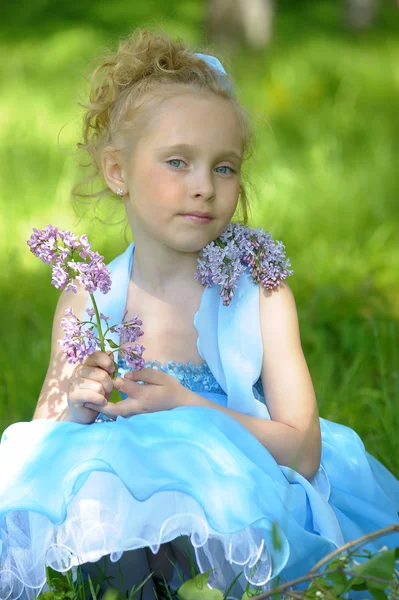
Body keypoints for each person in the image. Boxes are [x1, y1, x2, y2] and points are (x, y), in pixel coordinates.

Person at [0, 28, 398, 600]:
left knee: (191, 463)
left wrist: (189, 407)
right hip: (125, 524)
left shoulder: (259, 291)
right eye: (178, 162)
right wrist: (78, 410)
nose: (203, 188)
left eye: (224, 168)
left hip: (241, 498)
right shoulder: (92, 297)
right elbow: (39, 448)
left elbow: (304, 451)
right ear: (118, 172)